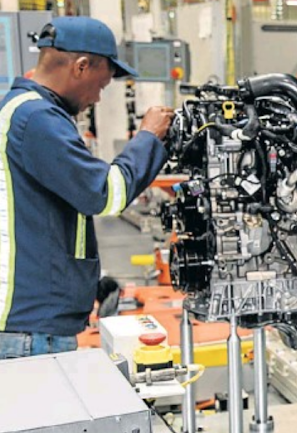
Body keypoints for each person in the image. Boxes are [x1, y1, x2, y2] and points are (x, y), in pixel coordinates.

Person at [0, 16, 174, 358]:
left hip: (32, 317)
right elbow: (105, 193)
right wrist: (148, 138)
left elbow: (44, 216)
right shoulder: (37, 119)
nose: (97, 97)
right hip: (32, 328)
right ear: (80, 66)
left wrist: (87, 281)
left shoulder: (22, 111)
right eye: (102, 84)